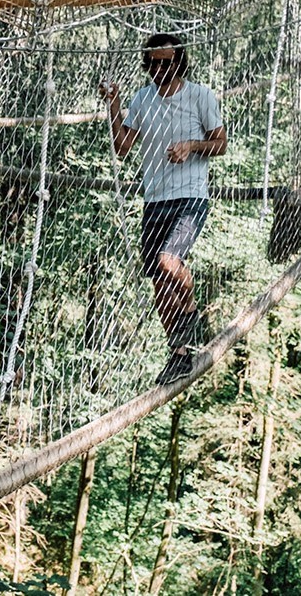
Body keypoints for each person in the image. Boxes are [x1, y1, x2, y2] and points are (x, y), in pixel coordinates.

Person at [98, 34, 227, 385]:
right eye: (153, 63)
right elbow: (122, 146)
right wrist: (114, 105)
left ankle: (193, 315)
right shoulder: (143, 99)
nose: (159, 69)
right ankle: (179, 353)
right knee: (160, 283)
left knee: (168, 262)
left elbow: (221, 143)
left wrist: (192, 146)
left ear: (179, 63)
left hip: (190, 196)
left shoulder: (200, 96)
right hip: (154, 199)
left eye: (166, 62)